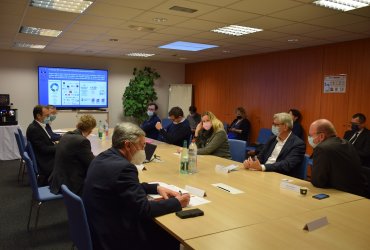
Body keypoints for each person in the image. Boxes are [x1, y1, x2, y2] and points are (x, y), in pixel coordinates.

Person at [82, 123, 190, 250]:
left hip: (97, 226)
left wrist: (156, 188)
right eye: (142, 145)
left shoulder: (103, 157)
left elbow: (124, 186)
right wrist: (177, 202)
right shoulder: (124, 168)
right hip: (113, 238)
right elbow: (144, 209)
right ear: (128, 145)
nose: (143, 149)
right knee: (167, 234)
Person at [309, 119, 365, 196]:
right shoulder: (347, 143)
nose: (310, 138)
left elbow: (318, 182)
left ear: (321, 136)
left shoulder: (322, 148)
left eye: (311, 135)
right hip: (360, 193)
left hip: (341, 195)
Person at [243, 112, 306, 178]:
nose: (273, 127)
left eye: (276, 125)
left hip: (280, 177)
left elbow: (287, 165)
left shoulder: (298, 144)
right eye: (273, 124)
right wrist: (250, 162)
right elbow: (261, 156)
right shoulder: (272, 138)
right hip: (263, 173)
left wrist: (262, 167)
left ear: (285, 127)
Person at [49, 115, 96, 196]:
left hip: (57, 180)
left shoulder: (66, 135)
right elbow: (92, 163)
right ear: (90, 130)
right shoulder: (82, 141)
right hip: (70, 184)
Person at [26, 105, 56, 181]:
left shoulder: (39, 126)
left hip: (44, 157)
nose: (49, 117)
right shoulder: (34, 129)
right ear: (38, 116)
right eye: (47, 115)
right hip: (45, 162)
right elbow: (44, 149)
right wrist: (60, 146)